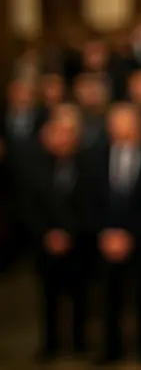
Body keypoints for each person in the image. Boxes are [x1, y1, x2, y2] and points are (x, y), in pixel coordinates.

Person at [88, 102, 141, 364]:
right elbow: (91, 201)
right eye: (118, 122)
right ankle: (111, 349)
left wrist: (131, 234)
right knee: (109, 298)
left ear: (137, 126)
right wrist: (106, 233)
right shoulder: (96, 159)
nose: (123, 128)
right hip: (106, 241)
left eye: (128, 122)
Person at [23, 106, 91, 361]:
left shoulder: (87, 164)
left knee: (79, 296)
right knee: (49, 297)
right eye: (58, 132)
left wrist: (69, 233)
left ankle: (80, 343)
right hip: (46, 242)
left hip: (78, 241)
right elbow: (28, 205)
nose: (63, 138)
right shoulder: (35, 166)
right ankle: (50, 343)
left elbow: (90, 203)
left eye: (68, 132)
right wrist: (48, 233)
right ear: (47, 135)